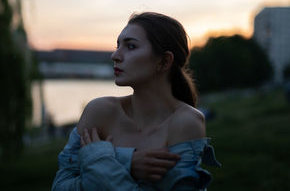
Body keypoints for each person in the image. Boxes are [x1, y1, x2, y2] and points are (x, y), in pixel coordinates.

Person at [52, 12, 221, 191]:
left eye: (130, 46)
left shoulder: (185, 123)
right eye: (118, 45)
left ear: (164, 61)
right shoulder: (100, 111)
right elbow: (60, 186)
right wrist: (127, 162)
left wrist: (100, 162)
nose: (115, 55)